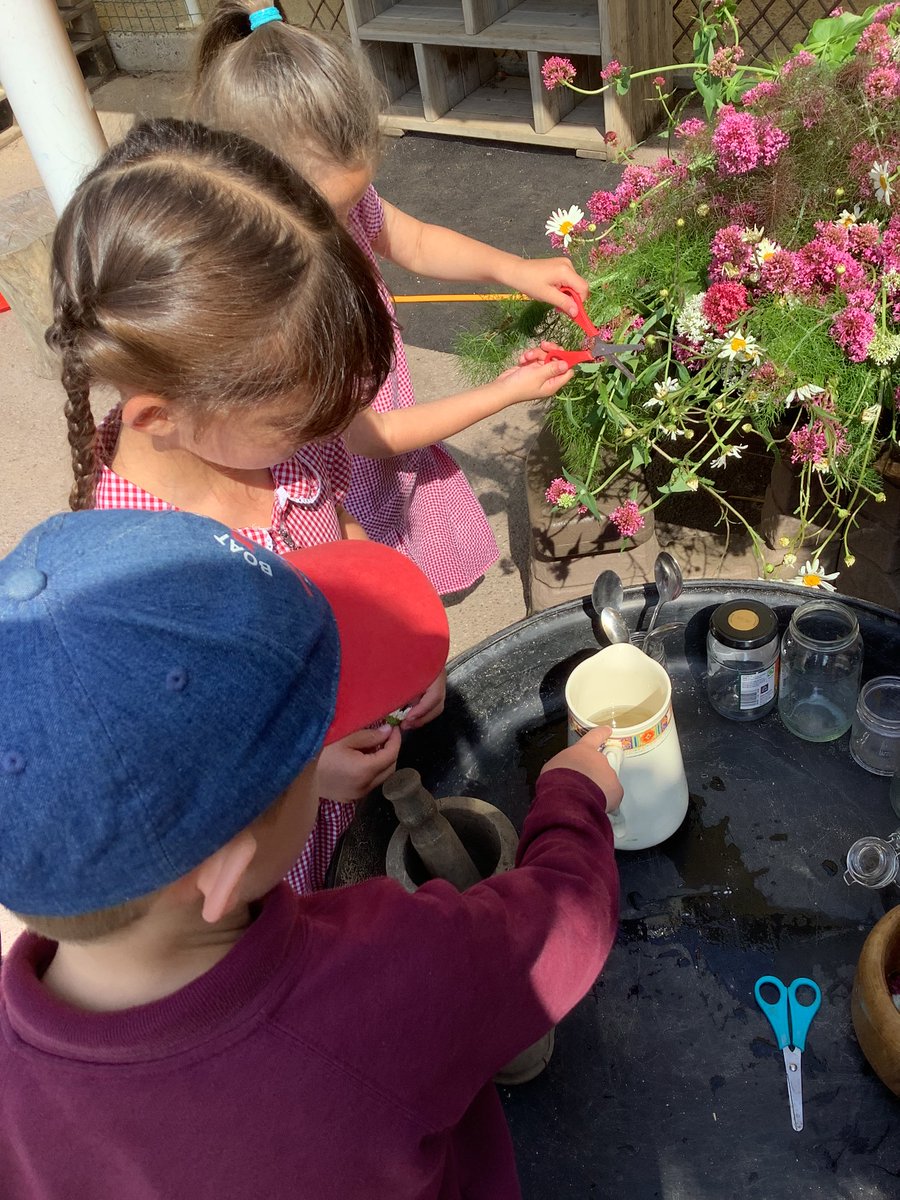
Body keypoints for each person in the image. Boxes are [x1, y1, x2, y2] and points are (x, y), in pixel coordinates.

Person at [0, 507, 622, 1200]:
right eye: (306, 745)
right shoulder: (384, 978)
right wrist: (573, 794)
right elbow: (563, 925)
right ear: (227, 871)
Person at [48, 117, 569, 892]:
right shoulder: (133, 583)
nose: (329, 429)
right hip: (267, 851)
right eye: (299, 417)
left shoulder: (279, 438)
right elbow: (182, 769)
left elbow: (343, 548)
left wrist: (390, 653)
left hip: (344, 764)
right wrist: (300, 773)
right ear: (164, 418)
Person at [190, 0, 590, 596]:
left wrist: (514, 268)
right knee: (376, 589)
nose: (355, 222)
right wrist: (502, 392)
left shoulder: (328, 206)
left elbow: (415, 238)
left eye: (358, 201)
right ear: (255, 192)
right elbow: (366, 435)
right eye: (338, 212)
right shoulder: (283, 312)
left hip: (382, 424)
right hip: (350, 466)